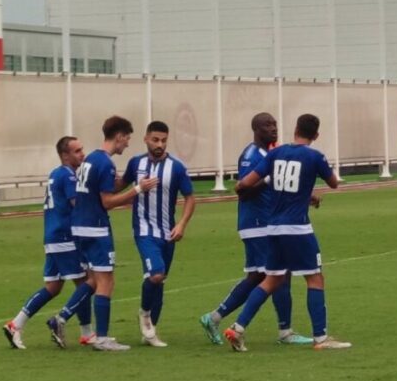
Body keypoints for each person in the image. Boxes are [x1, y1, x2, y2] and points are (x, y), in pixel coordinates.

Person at [223, 114, 351, 351]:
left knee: (273, 279)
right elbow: (334, 183)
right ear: (316, 135)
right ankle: (321, 338)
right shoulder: (315, 156)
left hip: (272, 228)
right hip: (298, 228)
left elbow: (244, 184)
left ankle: (237, 328)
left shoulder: (275, 154)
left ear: (295, 129)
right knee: (315, 278)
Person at [46, 116, 158, 351]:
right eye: (127, 138)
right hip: (96, 228)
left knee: (93, 280)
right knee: (106, 282)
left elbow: (105, 187)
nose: (127, 143)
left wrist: (128, 181)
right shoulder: (105, 163)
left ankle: (62, 318)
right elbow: (107, 201)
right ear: (119, 136)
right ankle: (102, 338)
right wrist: (138, 189)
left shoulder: (91, 159)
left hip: (79, 228)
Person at [200, 113, 311, 346]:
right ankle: (285, 332)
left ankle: (213, 317)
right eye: (267, 125)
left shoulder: (269, 154)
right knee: (279, 275)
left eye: (274, 124)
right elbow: (243, 191)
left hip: (265, 223)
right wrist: (268, 179)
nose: (273, 128)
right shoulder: (251, 155)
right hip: (257, 224)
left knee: (257, 277)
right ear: (256, 129)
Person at [2, 136, 93, 349]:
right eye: (77, 151)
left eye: (82, 149)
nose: (82, 154)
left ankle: (15, 325)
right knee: (87, 282)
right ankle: (85, 332)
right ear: (65, 155)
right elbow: (77, 204)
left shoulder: (55, 173)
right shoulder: (68, 176)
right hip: (65, 237)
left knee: (53, 287)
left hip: (52, 236)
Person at [115, 121, 196, 347]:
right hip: (144, 231)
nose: (159, 144)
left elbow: (190, 198)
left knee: (160, 282)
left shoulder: (176, 167)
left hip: (168, 233)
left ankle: (151, 332)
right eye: (155, 140)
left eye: (163, 140)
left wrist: (182, 224)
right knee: (156, 274)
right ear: (146, 139)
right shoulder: (136, 163)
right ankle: (144, 313)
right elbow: (119, 186)